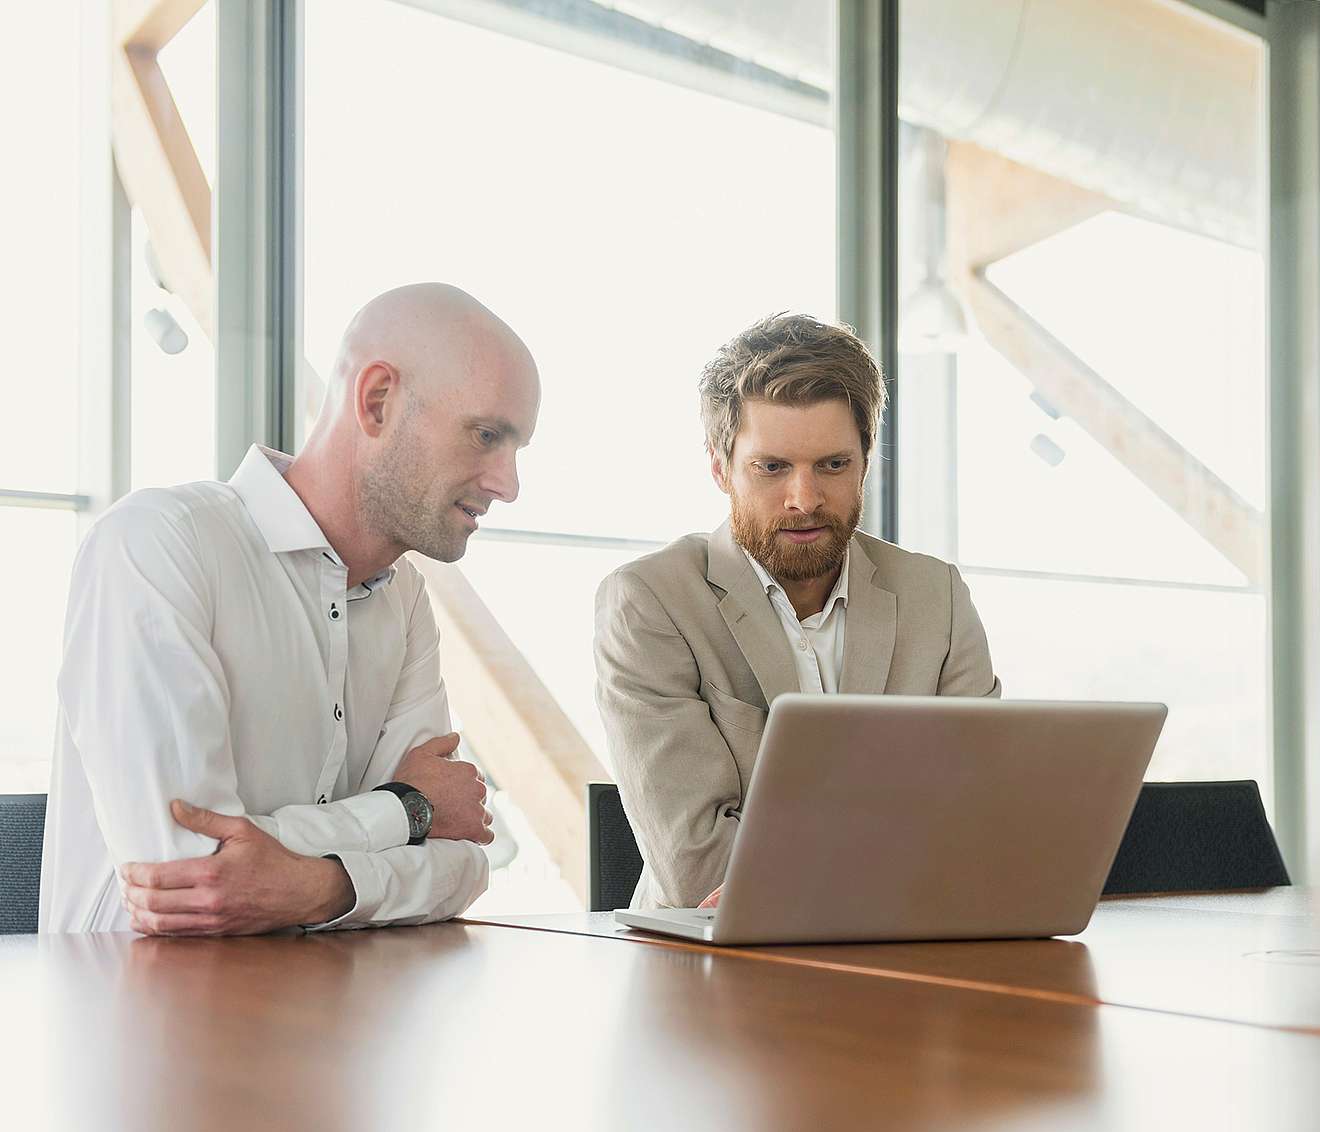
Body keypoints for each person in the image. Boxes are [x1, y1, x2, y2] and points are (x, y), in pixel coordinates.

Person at [41, 282, 540, 934]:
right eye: (485, 436)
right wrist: (405, 810)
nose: (509, 484)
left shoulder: (405, 598)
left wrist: (322, 887)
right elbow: (194, 872)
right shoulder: (158, 544)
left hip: (324, 1018)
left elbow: (464, 858)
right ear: (378, 400)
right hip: (140, 1019)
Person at [593, 313, 999, 911]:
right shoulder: (651, 602)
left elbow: (982, 823)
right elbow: (697, 868)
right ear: (719, 466)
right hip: (711, 974)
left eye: (833, 465)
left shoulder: (934, 596)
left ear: (866, 458)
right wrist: (902, 856)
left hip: (908, 959)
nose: (804, 500)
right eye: (772, 467)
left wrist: (801, 875)